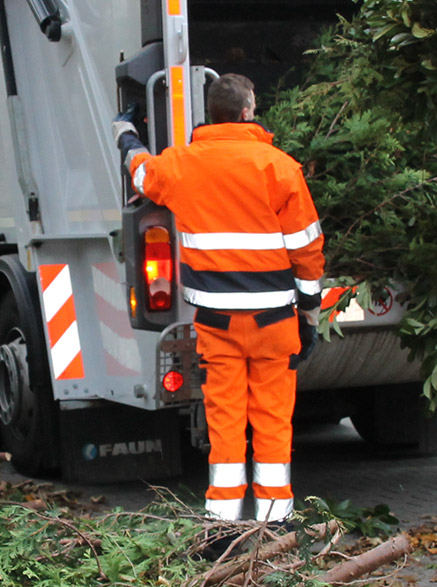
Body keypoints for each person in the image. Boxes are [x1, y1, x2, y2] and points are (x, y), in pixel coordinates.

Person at [113, 73, 324, 523]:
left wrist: (126, 134)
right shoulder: (280, 167)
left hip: (217, 323)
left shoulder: (183, 164)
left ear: (212, 114)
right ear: (249, 111)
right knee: (272, 423)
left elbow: (142, 171)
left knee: (225, 424)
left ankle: (223, 526)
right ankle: (273, 524)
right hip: (274, 322)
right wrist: (309, 315)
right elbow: (307, 251)